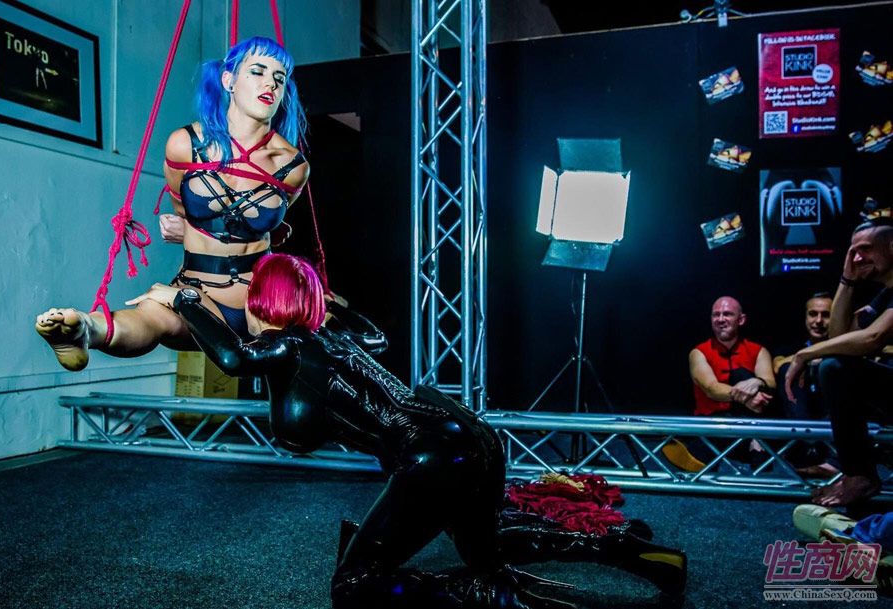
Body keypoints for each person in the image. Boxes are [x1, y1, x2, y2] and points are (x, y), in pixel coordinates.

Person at [131, 254, 687, 607]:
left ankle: (488, 593)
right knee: (487, 546)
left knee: (355, 586)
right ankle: (623, 549)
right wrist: (331, 306)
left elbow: (231, 356)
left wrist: (184, 299)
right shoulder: (337, 340)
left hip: (436, 455)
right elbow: (375, 335)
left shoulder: (290, 344)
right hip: (470, 436)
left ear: (264, 301)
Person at [35, 36, 310, 371]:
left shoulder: (292, 166)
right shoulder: (185, 145)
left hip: (262, 305)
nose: (270, 83)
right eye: (257, 71)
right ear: (228, 80)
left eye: (279, 78)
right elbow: (185, 211)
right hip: (197, 291)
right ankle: (84, 329)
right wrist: (190, 230)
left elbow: (271, 227)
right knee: (154, 316)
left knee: (308, 346)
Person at [785, 218, 893, 506]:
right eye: (852, 252)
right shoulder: (886, 293)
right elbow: (841, 336)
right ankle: (857, 474)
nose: (857, 258)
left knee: (833, 367)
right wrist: (847, 279)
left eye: (865, 249)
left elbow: (872, 338)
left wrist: (805, 354)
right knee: (835, 367)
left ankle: (859, 475)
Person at [663, 296, 776, 471]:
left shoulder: (758, 351)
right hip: (713, 425)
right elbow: (711, 388)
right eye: (716, 315)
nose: (721, 319)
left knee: (743, 376)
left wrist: (756, 382)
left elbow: (770, 383)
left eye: (727, 314)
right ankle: (754, 448)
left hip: (750, 422)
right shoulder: (699, 352)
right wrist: (747, 397)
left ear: (741, 320)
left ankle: (710, 453)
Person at [772, 293, 837, 476]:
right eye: (813, 314)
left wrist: (818, 359)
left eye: (826, 315)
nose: (818, 321)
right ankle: (806, 439)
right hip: (801, 412)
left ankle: (829, 456)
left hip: (833, 415)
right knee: (788, 369)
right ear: (805, 317)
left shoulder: (846, 345)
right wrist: (807, 359)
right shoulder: (790, 347)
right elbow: (778, 365)